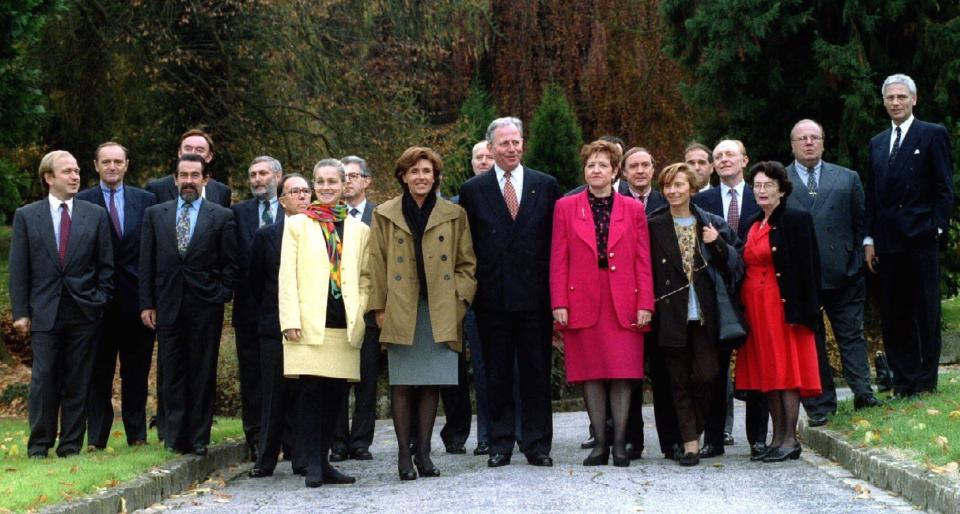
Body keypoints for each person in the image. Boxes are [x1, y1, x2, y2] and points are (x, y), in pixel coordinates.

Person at [366, 146, 476, 480]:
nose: (421, 177)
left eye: (426, 171)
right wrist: (378, 307)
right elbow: (376, 263)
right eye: (414, 171)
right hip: (400, 307)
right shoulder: (384, 214)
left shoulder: (453, 213)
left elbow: (467, 264)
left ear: (435, 176)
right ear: (402, 176)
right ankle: (403, 455)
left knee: (431, 383)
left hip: (440, 308)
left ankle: (425, 455)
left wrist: (459, 300)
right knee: (402, 383)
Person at [458, 117, 563, 468]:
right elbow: (468, 245)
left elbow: (556, 243)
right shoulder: (473, 190)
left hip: (535, 297)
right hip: (492, 298)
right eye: (504, 143)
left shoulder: (545, 185)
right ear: (491, 148)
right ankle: (500, 443)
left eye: (516, 141)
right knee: (497, 373)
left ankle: (537, 444)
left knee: (535, 371)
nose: (512, 148)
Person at [550, 140, 654, 467]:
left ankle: (621, 444)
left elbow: (642, 259)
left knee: (623, 373)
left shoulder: (633, 208)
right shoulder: (565, 207)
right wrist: (559, 302)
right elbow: (559, 258)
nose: (596, 170)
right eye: (591, 165)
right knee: (591, 374)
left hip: (624, 298)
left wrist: (645, 302)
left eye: (603, 165)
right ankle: (600, 444)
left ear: (614, 172)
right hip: (581, 299)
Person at [10, 150, 115, 458]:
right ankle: (39, 445)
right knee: (44, 380)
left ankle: (70, 445)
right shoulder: (28, 216)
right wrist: (20, 313)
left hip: (84, 312)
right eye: (67, 171)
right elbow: (19, 269)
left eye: (77, 171)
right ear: (49, 178)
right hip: (45, 312)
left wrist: (99, 301)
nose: (75, 176)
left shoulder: (94, 215)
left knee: (78, 380)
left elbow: (105, 266)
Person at [139, 153, 238, 455]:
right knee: (172, 371)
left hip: (205, 306)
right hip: (167, 305)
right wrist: (147, 304)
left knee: (201, 371)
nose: (189, 181)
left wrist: (221, 294)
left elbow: (230, 264)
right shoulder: (156, 214)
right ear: (175, 178)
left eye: (195, 175)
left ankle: (198, 438)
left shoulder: (220, 216)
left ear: (205, 180)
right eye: (184, 175)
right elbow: (147, 263)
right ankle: (174, 435)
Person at [279, 158, 369, 487]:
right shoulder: (298, 225)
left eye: (333, 181)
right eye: (321, 181)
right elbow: (286, 275)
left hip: (343, 324)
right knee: (310, 396)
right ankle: (312, 464)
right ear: (314, 185)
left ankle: (328, 461)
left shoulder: (360, 230)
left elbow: (365, 276)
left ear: (345, 184)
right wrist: (289, 318)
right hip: (307, 324)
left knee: (335, 397)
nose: (327, 187)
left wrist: (360, 310)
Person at [785, 119, 881, 425]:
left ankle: (863, 393)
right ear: (793, 145)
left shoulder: (847, 178)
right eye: (803, 139)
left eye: (815, 137)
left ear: (824, 142)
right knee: (809, 342)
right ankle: (819, 405)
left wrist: (856, 259)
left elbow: (861, 220)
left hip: (844, 273)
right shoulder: (779, 181)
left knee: (851, 335)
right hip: (801, 279)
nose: (809, 143)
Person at [864, 74, 954, 397]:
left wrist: (936, 228)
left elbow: (945, 189)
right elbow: (872, 197)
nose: (896, 103)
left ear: (913, 99)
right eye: (890, 98)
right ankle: (903, 380)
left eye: (902, 97)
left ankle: (925, 381)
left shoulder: (932, 134)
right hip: (887, 244)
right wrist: (869, 240)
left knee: (925, 311)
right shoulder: (876, 143)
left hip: (920, 239)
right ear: (884, 101)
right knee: (894, 313)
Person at [648, 163, 741, 466]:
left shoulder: (710, 222)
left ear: (692, 188)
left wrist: (719, 244)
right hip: (669, 315)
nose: (673, 191)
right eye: (668, 186)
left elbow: (735, 266)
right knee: (677, 382)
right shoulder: (653, 224)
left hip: (705, 315)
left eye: (679, 185)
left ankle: (697, 429)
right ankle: (690, 444)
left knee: (708, 374)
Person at [736, 161, 822, 462]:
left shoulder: (796, 219)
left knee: (786, 370)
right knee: (767, 372)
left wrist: (808, 312)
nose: (761, 191)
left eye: (767, 185)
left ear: (781, 190)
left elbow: (810, 268)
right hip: (755, 309)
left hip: (783, 307)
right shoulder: (751, 222)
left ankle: (790, 438)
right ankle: (776, 438)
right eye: (757, 185)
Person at [692, 139, 769, 459]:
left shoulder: (760, 196)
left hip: (755, 290)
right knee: (715, 368)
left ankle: (758, 439)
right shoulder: (701, 200)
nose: (723, 160)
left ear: (744, 160)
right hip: (716, 295)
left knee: (759, 365)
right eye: (718, 156)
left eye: (730, 155)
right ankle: (713, 437)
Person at [79, 142, 156, 449]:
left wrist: (151, 299)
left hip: (137, 302)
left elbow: (151, 251)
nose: (112, 167)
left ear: (127, 165)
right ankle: (97, 437)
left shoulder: (146, 200)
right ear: (96, 165)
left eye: (118, 161)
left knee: (136, 373)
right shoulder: (83, 201)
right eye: (106, 162)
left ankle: (137, 434)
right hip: (97, 303)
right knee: (98, 373)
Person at [248, 173, 312, 478]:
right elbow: (255, 283)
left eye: (305, 191)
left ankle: (302, 457)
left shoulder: (319, 233)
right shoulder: (266, 236)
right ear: (282, 200)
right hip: (274, 326)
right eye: (293, 192)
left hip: (310, 327)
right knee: (273, 394)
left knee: (304, 394)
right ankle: (266, 458)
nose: (301, 196)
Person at [329, 155, 381, 462]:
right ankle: (337, 441)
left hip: (369, 309)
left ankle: (361, 441)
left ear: (366, 180)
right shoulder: (325, 217)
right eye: (342, 176)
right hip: (335, 311)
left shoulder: (380, 215)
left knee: (367, 379)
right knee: (336, 379)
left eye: (352, 176)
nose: (347, 181)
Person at [231, 156, 282, 459]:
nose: (257, 179)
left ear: (277, 176)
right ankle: (256, 439)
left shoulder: (292, 213)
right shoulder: (237, 214)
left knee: (284, 376)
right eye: (252, 175)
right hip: (248, 309)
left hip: (285, 309)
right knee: (252, 378)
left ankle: (286, 438)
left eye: (263, 173)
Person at [145, 128, 232, 207]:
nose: (192, 153)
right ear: (179, 153)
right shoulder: (157, 188)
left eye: (199, 150)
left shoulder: (222, 192)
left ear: (209, 157)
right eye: (188, 149)